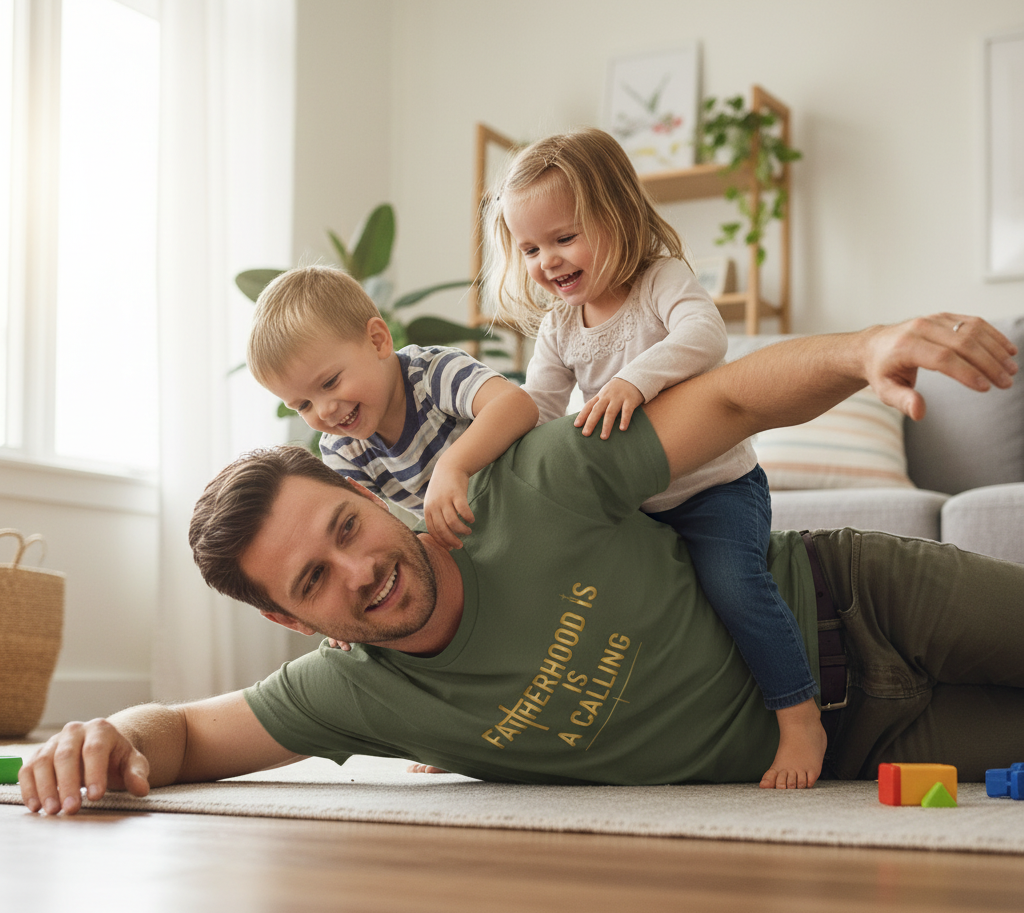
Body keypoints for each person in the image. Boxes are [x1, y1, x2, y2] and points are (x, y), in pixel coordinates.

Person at [17, 314, 1023, 816]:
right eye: (312, 580)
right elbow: (187, 733)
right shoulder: (355, 692)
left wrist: (865, 349)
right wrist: (107, 739)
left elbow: (728, 403)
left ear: (369, 493)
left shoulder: (528, 483)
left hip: (867, 602)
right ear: (291, 619)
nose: (356, 570)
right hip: (854, 754)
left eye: (343, 528)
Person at [486, 128, 822, 789]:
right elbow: (543, 410)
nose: (547, 261)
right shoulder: (558, 327)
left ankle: (799, 716)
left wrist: (635, 380)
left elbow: (707, 333)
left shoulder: (659, 281)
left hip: (716, 490)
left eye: (563, 238)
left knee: (732, 584)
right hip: (634, 504)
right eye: (529, 248)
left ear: (618, 215)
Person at [246, 265, 538, 548]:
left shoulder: (431, 374)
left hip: (531, 497)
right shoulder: (342, 450)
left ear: (377, 341)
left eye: (330, 382)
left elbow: (516, 405)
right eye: (304, 404)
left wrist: (454, 465)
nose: (323, 411)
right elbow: (369, 526)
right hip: (484, 541)